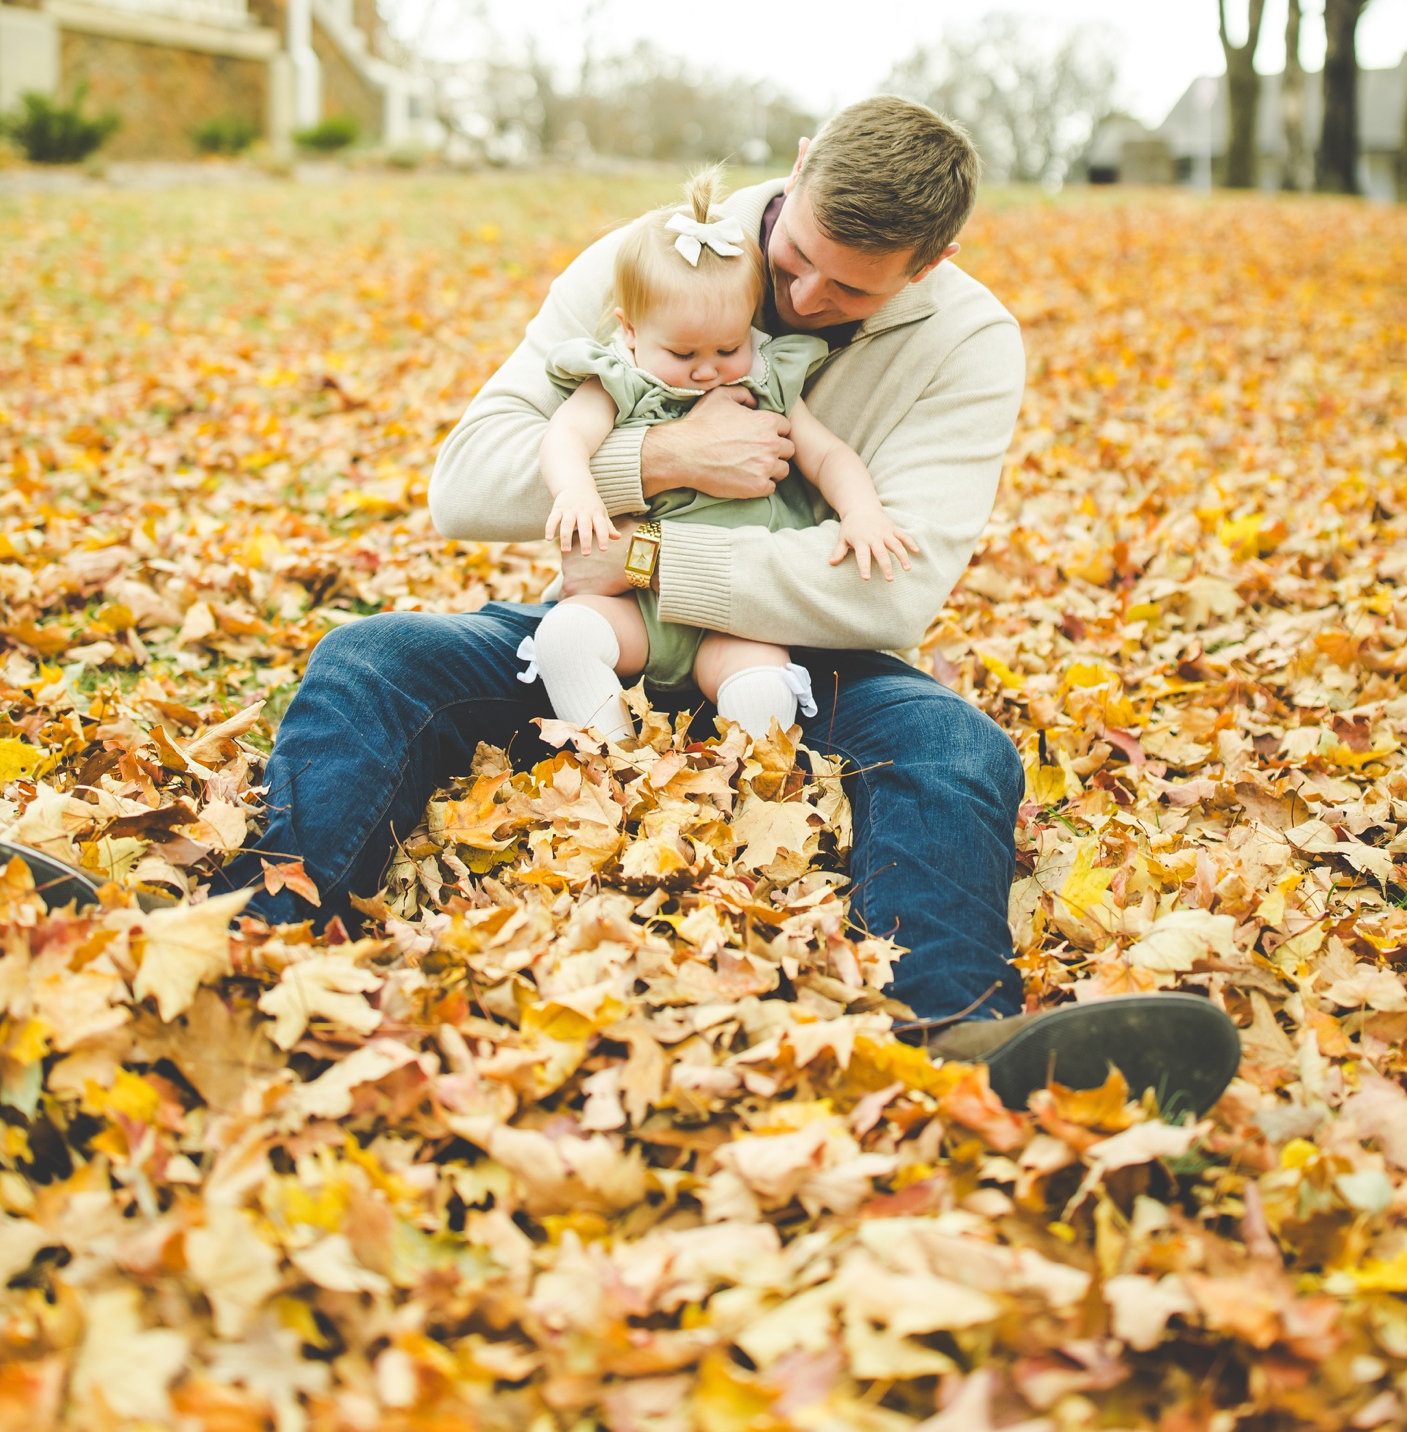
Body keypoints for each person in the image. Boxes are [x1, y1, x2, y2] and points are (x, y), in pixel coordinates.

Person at [238, 97, 1240, 1114]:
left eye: (847, 287)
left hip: (798, 655)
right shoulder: (650, 262)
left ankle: (956, 1034)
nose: (799, 295)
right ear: (798, 167)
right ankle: (253, 937)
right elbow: (466, 483)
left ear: (923, 269)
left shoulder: (971, 342)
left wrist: (652, 553)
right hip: (601, 640)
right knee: (374, 657)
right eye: (796, 254)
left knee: (956, 747)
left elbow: (890, 590)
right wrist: (662, 457)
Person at [527, 163, 918, 743]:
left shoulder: (769, 381)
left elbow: (828, 456)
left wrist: (862, 512)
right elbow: (563, 437)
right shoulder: (620, 379)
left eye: (728, 347)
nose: (707, 369)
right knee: (565, 637)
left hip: (739, 612)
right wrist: (578, 488)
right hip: (633, 607)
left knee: (765, 682)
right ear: (630, 331)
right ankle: (609, 763)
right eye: (682, 352)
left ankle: (743, 791)